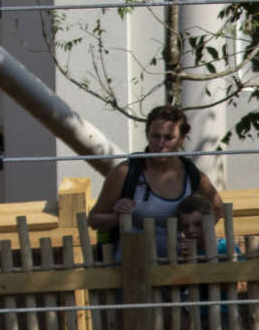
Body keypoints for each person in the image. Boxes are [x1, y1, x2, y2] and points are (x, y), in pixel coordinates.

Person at [87, 104, 224, 255]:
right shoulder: (125, 172)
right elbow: (93, 219)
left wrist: (199, 237)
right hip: (132, 267)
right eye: (156, 136)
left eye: (169, 138)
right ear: (147, 135)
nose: (161, 144)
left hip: (180, 267)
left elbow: (218, 208)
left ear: (182, 139)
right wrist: (116, 217)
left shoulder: (192, 175)